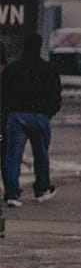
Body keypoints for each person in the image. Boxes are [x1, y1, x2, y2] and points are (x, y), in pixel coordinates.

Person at [3, 33, 63, 205]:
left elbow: (3, 92)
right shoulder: (48, 68)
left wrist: (7, 111)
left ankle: (12, 193)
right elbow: (56, 93)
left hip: (16, 115)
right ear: (39, 46)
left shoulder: (12, 68)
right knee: (41, 154)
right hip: (40, 116)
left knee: (13, 156)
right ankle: (42, 188)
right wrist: (49, 112)